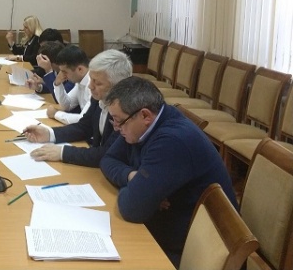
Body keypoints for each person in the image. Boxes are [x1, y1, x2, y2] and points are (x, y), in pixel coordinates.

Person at [99, 76, 237, 268]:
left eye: (118, 121)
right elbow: (107, 159)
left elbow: (132, 208)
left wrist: (140, 191)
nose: (115, 127)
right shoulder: (141, 125)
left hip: (189, 249)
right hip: (168, 227)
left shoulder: (171, 141)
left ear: (145, 115)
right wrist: (132, 177)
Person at [24, 50, 131, 167]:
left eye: (97, 83)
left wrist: (63, 152)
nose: (90, 86)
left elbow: (107, 153)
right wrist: (49, 133)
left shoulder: (126, 111)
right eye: (91, 79)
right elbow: (84, 127)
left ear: (118, 86)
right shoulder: (99, 97)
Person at [46, 45, 92, 124]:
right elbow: (67, 105)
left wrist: (56, 114)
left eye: (64, 72)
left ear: (80, 69)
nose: (62, 75)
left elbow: (83, 119)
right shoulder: (80, 82)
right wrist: (58, 84)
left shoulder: (93, 85)